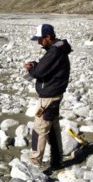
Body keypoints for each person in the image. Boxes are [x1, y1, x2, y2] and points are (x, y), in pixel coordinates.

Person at [23, 24, 72, 170]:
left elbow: (39, 72)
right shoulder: (57, 49)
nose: (38, 42)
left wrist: (30, 68)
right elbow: (48, 67)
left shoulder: (54, 52)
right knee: (52, 128)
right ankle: (57, 162)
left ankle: (34, 163)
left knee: (40, 128)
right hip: (55, 96)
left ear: (48, 37)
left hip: (49, 98)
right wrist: (37, 64)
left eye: (40, 39)